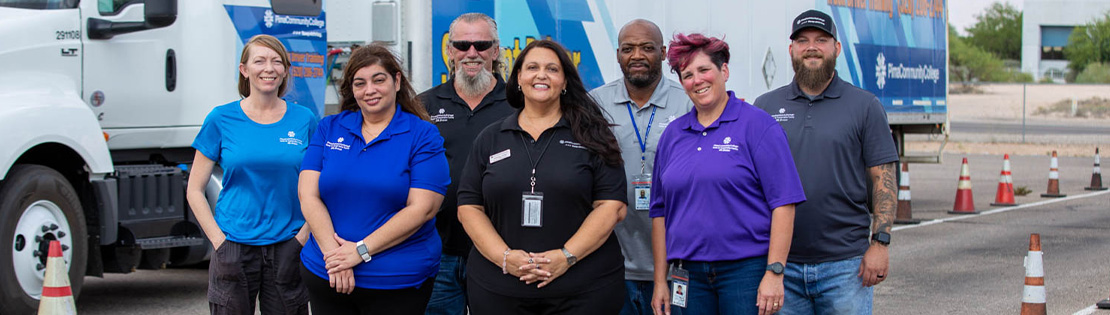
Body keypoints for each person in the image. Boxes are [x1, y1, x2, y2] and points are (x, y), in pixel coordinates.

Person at [456, 39, 628, 314]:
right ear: (519, 79)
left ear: (565, 82)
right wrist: (505, 258)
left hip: (583, 291)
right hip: (499, 292)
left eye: (552, 69)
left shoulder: (594, 136)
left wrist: (566, 257)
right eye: (532, 67)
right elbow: (469, 207)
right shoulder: (490, 138)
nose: (542, 75)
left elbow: (612, 206)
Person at [752, 10, 899, 315]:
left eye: (821, 39)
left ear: (837, 48)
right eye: (802, 40)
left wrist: (880, 243)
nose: (812, 47)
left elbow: (883, 178)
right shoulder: (765, 106)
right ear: (791, 49)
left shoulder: (865, 106)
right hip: (782, 268)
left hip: (846, 266)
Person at [649, 33, 806, 315]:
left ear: (724, 71)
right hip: (688, 274)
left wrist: (775, 272)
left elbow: (784, 203)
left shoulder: (758, 126)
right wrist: (661, 280)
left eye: (704, 70)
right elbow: (659, 212)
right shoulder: (673, 135)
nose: (697, 80)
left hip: (745, 273)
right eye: (687, 75)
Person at [297, 44, 450, 315]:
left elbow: (423, 208)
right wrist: (337, 258)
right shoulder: (329, 127)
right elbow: (308, 195)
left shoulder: (423, 135)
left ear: (397, 81)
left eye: (378, 80)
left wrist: (359, 251)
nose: (370, 90)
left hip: (395, 281)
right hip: (327, 273)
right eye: (360, 83)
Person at [186, 34, 315, 315]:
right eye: (259, 61)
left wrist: (303, 237)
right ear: (245, 70)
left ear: (285, 71)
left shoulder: (304, 119)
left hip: (288, 245)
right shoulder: (221, 119)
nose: (268, 68)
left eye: (276, 61)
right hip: (234, 244)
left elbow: (321, 186)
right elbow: (194, 189)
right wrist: (219, 242)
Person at [588, 19, 693, 315]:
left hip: (675, 266)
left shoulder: (687, 102)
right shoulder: (596, 103)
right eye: (628, 49)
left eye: (647, 48)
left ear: (662, 53)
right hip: (613, 264)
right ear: (618, 54)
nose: (636, 56)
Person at [419, 13, 515, 315]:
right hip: (438, 251)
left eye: (481, 44)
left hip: (502, 250)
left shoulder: (519, 104)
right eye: (461, 45)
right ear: (450, 51)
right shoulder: (423, 106)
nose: (471, 53)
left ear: (496, 51)